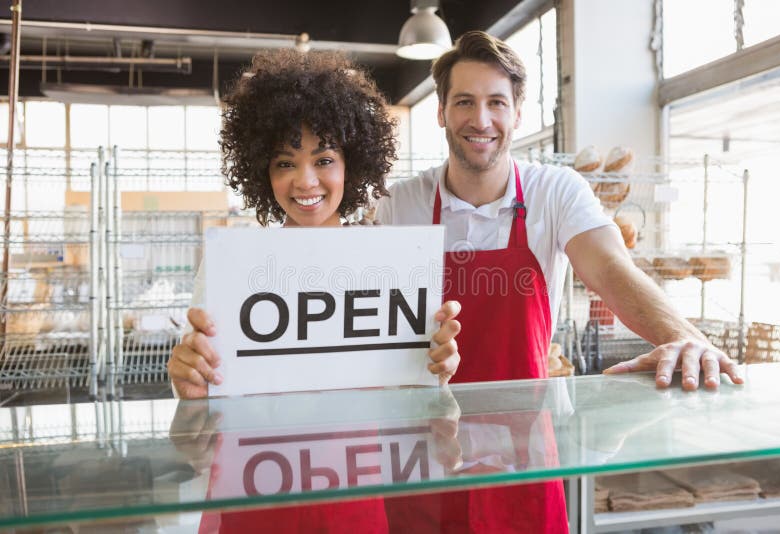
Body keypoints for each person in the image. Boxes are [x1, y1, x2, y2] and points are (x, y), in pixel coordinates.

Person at [376, 30, 744, 533]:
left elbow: (612, 270)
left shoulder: (555, 191)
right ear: (441, 111)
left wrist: (688, 341)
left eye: (495, 103)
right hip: (427, 451)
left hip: (526, 453)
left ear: (517, 114)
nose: (480, 120)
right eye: (464, 102)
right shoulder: (403, 205)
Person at [167, 49, 461, 533]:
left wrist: (439, 372)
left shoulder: (388, 270)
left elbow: (424, 423)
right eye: (285, 162)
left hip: (354, 499)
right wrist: (186, 382)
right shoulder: (232, 268)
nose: (305, 181)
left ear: (353, 164)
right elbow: (194, 431)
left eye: (324, 159)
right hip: (251, 498)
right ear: (263, 170)